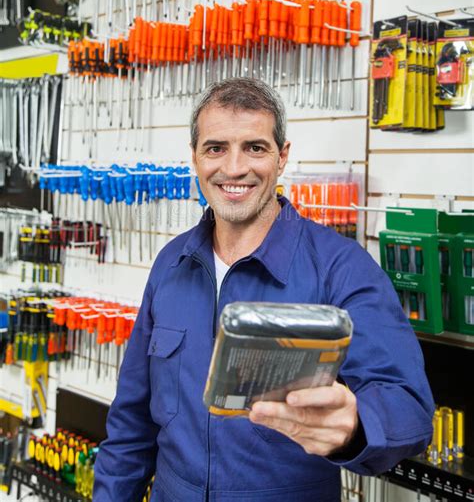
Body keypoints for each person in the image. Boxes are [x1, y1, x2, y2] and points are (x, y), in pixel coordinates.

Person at [93, 78, 434, 502]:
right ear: (195, 158)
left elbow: (410, 410)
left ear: (282, 156)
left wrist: (356, 426)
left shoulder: (340, 268)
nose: (234, 168)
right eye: (215, 148)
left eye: (255, 148)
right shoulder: (171, 264)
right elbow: (130, 427)